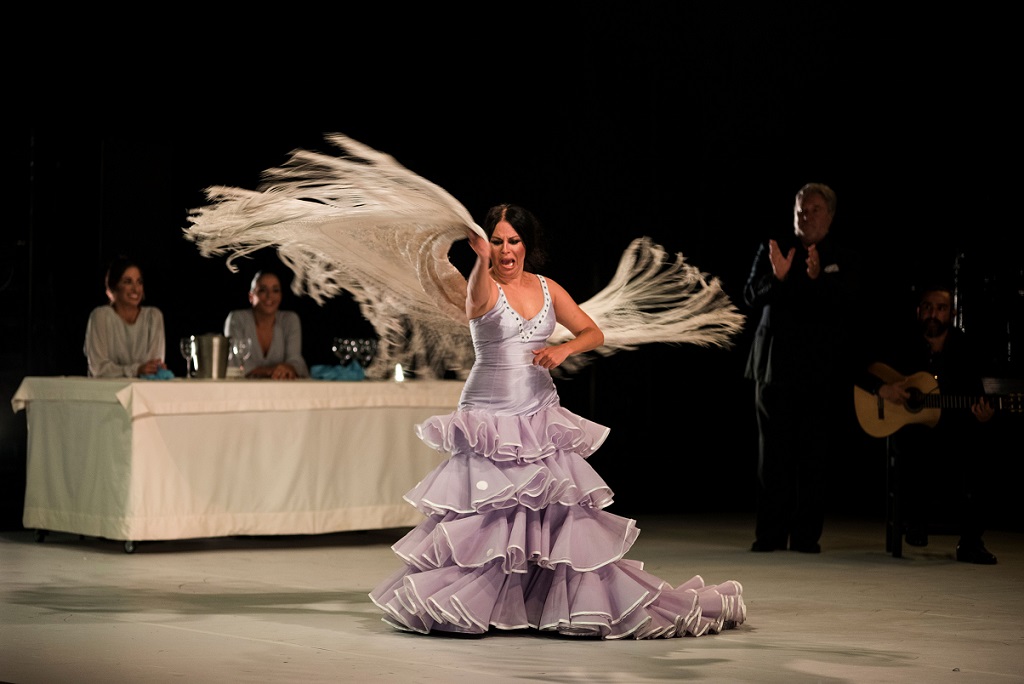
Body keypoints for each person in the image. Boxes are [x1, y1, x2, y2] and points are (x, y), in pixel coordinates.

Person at [369, 203, 746, 639]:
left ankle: (542, 603)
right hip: (490, 414)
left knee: (549, 510)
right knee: (489, 514)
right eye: (497, 242)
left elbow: (593, 332)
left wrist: (564, 349)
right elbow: (476, 300)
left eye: (514, 241)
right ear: (485, 245)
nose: (506, 251)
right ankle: (482, 603)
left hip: (539, 410)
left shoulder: (548, 288)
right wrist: (479, 259)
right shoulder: (483, 285)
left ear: (527, 244)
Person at [743, 183, 865, 554]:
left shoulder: (842, 256)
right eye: (800, 210)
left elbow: (850, 305)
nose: (805, 216)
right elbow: (750, 296)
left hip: (820, 371)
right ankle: (770, 534)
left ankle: (806, 536)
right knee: (772, 456)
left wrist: (818, 279)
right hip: (773, 368)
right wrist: (778, 278)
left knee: (814, 456)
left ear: (830, 215)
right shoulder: (775, 248)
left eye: (813, 210)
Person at [856, 283, 997, 564]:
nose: (934, 314)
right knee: (914, 444)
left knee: (979, 451)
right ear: (918, 311)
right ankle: (915, 520)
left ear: (952, 314)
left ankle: (971, 542)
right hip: (912, 430)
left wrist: (984, 414)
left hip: (952, 429)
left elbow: (976, 392)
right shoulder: (900, 342)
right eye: (928, 307)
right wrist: (881, 388)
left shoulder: (965, 348)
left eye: (941, 308)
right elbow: (858, 367)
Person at [84, 255, 167, 378]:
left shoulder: (153, 316)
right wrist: (136, 370)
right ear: (114, 286)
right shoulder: (100, 316)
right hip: (105, 388)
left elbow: (153, 367)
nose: (135, 289)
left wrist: (146, 369)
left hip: (143, 388)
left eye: (139, 282)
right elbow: (98, 368)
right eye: (128, 282)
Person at [223, 270, 309, 379]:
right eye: (263, 290)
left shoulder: (290, 320)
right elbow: (237, 363)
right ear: (251, 297)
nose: (269, 296)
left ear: (281, 296)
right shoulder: (237, 318)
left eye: (275, 290)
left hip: (282, 388)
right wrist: (275, 371)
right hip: (242, 388)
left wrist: (289, 368)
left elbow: (295, 360)